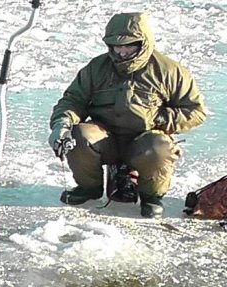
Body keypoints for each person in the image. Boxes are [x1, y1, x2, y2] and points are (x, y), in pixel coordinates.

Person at [48, 12, 207, 218]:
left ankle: (151, 196)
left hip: (145, 140)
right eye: (116, 45)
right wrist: (62, 124)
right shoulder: (96, 68)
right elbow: (73, 100)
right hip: (106, 138)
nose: (121, 51)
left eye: (129, 45)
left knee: (159, 148)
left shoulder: (169, 71)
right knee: (78, 136)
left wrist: (156, 119)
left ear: (143, 42)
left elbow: (195, 111)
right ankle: (89, 188)